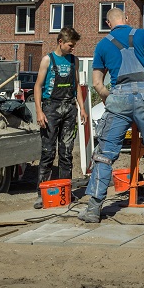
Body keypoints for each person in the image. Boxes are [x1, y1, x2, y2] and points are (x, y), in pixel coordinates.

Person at [78, 8, 144, 222]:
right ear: (126, 20)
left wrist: (110, 99)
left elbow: (98, 83)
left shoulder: (102, 45)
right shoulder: (141, 34)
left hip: (119, 97)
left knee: (105, 153)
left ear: (108, 23)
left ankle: (93, 209)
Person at [32, 26, 88, 209]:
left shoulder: (74, 60)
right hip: (51, 108)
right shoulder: (47, 60)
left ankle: (65, 191)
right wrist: (39, 111)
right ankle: (43, 194)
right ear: (60, 42)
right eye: (70, 45)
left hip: (69, 108)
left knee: (66, 153)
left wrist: (82, 108)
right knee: (48, 153)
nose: (73, 48)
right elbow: (38, 86)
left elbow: (77, 85)